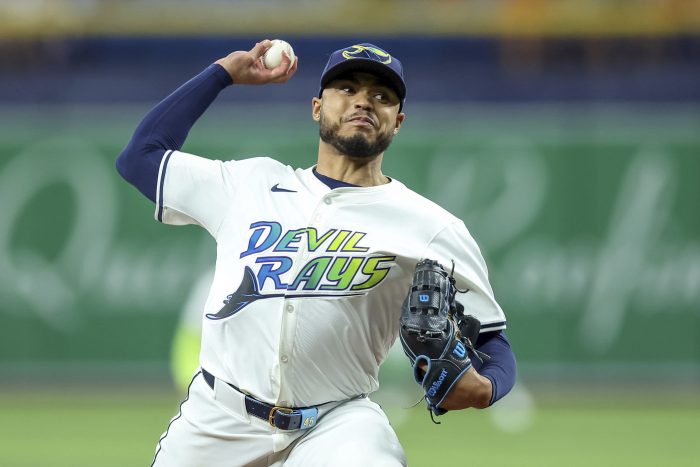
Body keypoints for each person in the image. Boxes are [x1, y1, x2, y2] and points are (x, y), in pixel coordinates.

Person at [117, 40, 516, 467]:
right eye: (347, 88)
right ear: (316, 107)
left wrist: (486, 388)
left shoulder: (432, 226)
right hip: (219, 419)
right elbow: (140, 156)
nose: (363, 101)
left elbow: (492, 341)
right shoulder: (249, 184)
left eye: (382, 96)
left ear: (397, 122)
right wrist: (223, 73)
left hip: (337, 423)